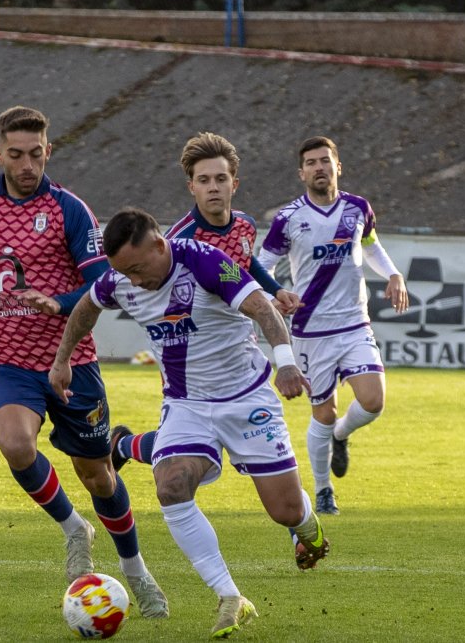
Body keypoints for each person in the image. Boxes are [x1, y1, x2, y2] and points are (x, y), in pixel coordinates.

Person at [0, 106, 167, 617]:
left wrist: (60, 304)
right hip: (5, 359)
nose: (27, 164)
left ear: (49, 151)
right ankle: (74, 529)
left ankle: (136, 571)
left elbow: (99, 285)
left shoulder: (70, 210)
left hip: (71, 360)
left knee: (99, 478)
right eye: (16, 154)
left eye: (36, 153)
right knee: (15, 442)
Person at [51, 208, 329, 639]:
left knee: (285, 511)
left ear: (159, 246)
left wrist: (287, 364)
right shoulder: (119, 279)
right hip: (186, 405)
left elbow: (263, 310)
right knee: (171, 486)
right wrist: (63, 359)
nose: (134, 280)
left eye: (139, 268)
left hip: (247, 399)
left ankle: (307, 528)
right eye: (125, 272)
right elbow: (86, 308)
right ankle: (230, 596)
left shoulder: (205, 261)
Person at [111, 132, 301, 470]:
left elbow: (245, 261)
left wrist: (274, 290)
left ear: (234, 183)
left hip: (238, 343)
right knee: (188, 442)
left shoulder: (244, 225)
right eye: (204, 180)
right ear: (192, 187)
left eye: (220, 178)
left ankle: (124, 445)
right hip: (189, 355)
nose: (213, 187)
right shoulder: (178, 242)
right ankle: (125, 445)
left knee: (243, 431)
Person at [254, 136, 409, 515]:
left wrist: (392, 275)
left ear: (337, 166)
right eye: (311, 162)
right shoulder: (289, 218)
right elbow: (262, 262)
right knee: (322, 413)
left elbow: (370, 245)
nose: (319, 167)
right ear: (301, 172)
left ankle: (342, 434)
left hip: (355, 324)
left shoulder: (358, 208)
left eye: (325, 160)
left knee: (373, 401)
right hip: (310, 330)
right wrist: (275, 293)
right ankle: (323, 490)